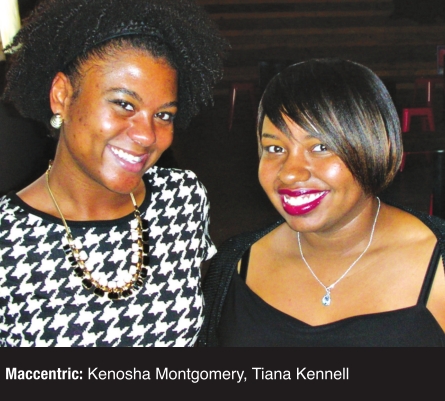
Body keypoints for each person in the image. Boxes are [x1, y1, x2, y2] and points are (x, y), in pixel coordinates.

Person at [0, 0, 228, 347]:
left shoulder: (182, 200)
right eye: (124, 104)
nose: (147, 135)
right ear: (62, 96)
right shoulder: (8, 241)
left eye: (163, 115)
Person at [198, 58, 445, 347]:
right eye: (274, 148)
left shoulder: (437, 263)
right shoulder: (235, 264)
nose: (290, 173)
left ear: (379, 146)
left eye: (320, 147)